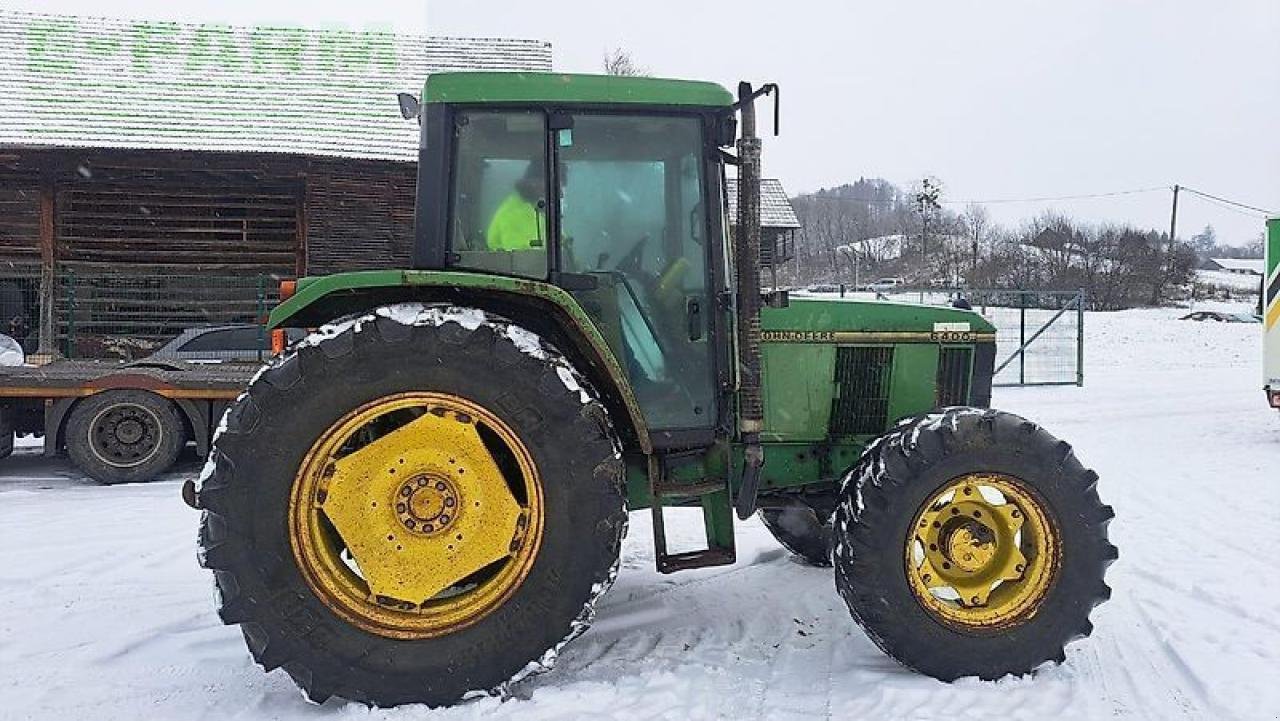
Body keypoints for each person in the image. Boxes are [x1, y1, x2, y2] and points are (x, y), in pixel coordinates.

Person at [486, 162, 546, 251]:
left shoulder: (537, 211)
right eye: (556, 186)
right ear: (534, 183)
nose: (560, 193)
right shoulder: (514, 213)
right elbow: (521, 257)